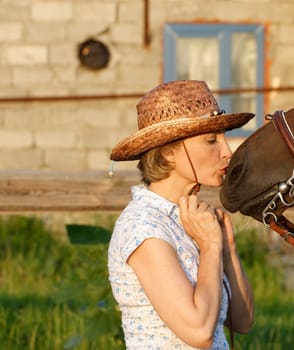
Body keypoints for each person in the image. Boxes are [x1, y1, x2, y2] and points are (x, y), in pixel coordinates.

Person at [108, 80, 255, 349]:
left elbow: (242, 322)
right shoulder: (143, 227)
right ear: (169, 152)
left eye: (223, 138)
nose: (227, 153)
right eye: (211, 140)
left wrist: (227, 249)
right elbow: (198, 332)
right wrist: (210, 246)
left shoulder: (193, 221)